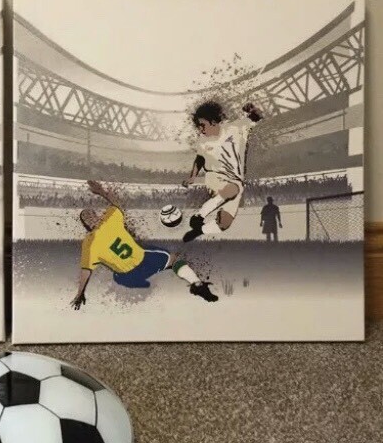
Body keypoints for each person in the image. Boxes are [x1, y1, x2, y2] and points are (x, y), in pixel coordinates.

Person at [70, 180, 218, 310]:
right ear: (86, 225)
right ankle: (186, 282)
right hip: (134, 269)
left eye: (92, 213)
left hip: (134, 268)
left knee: (170, 260)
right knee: (172, 259)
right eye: (86, 217)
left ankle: (196, 285)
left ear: (98, 216)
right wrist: (80, 293)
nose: (91, 216)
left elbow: (117, 203)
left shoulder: (107, 223)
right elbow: (86, 270)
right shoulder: (93, 239)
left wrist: (102, 191)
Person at [182, 101, 263, 242]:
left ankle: (199, 231)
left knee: (224, 224)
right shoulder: (203, 141)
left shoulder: (236, 128)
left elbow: (257, 116)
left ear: (213, 122)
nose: (200, 129)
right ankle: (199, 216)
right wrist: (192, 177)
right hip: (215, 177)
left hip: (236, 181)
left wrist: (252, 108)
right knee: (233, 189)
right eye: (198, 126)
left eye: (202, 125)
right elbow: (200, 159)